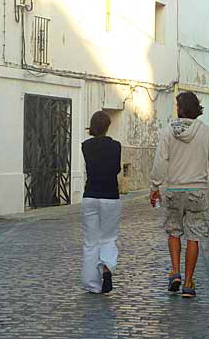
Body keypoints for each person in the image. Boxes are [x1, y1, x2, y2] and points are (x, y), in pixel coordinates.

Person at [149, 91, 209, 298]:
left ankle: (175, 271)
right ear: (197, 109)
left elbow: (160, 162)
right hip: (197, 192)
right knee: (194, 236)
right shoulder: (206, 133)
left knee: (174, 232)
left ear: (179, 109)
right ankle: (189, 282)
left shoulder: (167, 132)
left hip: (174, 190)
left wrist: (154, 187)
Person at [81, 111, 122, 294]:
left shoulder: (86, 146)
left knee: (91, 241)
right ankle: (106, 266)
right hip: (110, 196)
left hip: (90, 196)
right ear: (108, 126)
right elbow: (116, 169)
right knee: (108, 237)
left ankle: (92, 284)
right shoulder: (116, 146)